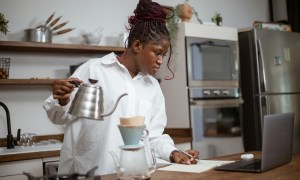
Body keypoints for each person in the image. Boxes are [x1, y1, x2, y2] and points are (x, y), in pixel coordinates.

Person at [43, 0, 199, 176]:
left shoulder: (152, 87)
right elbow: (58, 117)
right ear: (137, 46)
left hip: (135, 174)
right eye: (157, 52)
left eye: (163, 55)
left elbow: (153, 137)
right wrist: (62, 100)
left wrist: (173, 152)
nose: (160, 61)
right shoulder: (94, 70)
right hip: (91, 174)